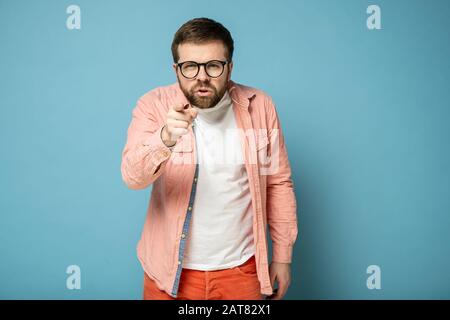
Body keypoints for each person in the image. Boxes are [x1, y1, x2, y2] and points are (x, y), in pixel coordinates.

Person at [121, 17, 298, 300]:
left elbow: (278, 183)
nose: (201, 77)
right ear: (176, 69)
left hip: (243, 272)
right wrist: (165, 138)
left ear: (229, 67)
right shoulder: (153, 106)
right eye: (190, 66)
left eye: (213, 65)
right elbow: (132, 177)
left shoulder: (261, 106)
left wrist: (283, 255)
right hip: (167, 274)